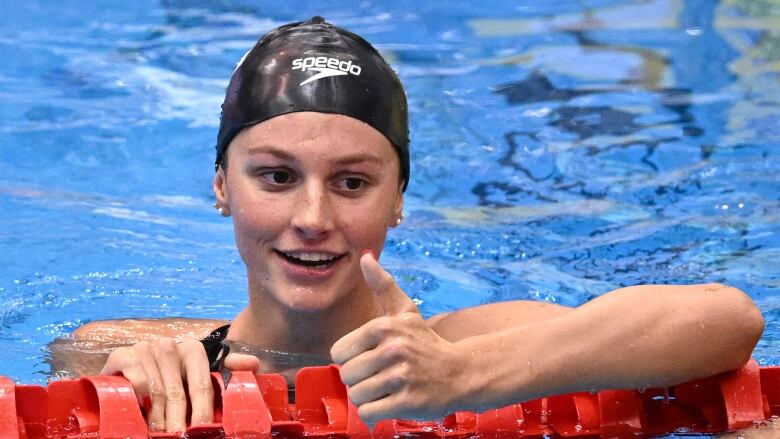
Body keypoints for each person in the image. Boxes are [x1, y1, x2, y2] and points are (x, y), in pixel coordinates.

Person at [59, 17, 764, 434]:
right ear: (221, 187)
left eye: (353, 182)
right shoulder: (128, 349)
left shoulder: (476, 344)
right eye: (276, 176)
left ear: (399, 199)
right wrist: (118, 399)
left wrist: (462, 375)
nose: (313, 218)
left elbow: (728, 318)